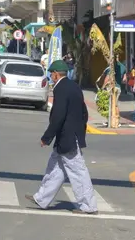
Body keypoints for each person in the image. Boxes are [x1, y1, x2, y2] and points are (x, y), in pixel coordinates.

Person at [26, 60, 97, 214]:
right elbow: (84, 112)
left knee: (78, 172)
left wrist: (46, 137)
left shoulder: (61, 89)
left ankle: (88, 205)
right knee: (55, 169)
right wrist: (79, 130)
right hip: (70, 136)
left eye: (51, 74)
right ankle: (42, 198)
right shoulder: (74, 87)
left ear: (56, 74)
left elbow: (58, 116)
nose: (51, 76)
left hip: (68, 138)